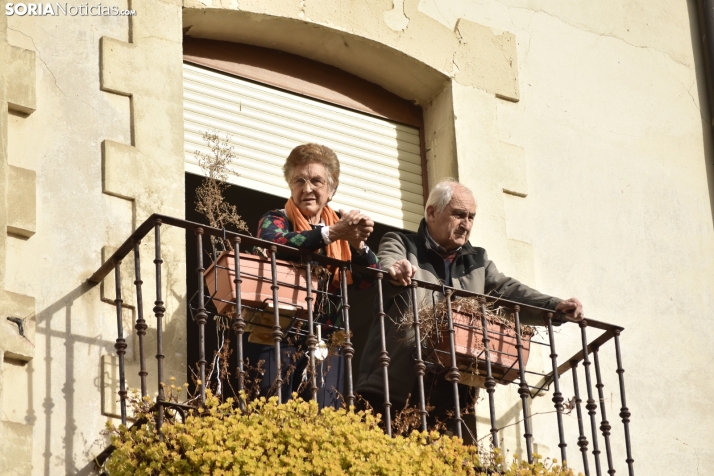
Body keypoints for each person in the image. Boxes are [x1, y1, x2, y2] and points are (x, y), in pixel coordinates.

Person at [356, 178, 583, 425]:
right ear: (432, 213)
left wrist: (553, 307)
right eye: (459, 215)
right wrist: (396, 271)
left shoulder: (478, 261)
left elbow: (508, 291)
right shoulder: (402, 243)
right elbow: (388, 263)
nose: (466, 224)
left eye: (471, 217)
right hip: (392, 386)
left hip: (451, 394)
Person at [248, 143, 379, 409]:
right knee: (271, 412)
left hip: (327, 341)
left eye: (317, 181)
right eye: (299, 180)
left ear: (331, 190)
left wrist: (357, 244)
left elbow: (369, 278)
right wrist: (332, 233)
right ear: (290, 186)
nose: (307, 188)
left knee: (325, 417)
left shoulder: (339, 226)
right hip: (277, 332)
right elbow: (278, 243)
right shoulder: (276, 219)